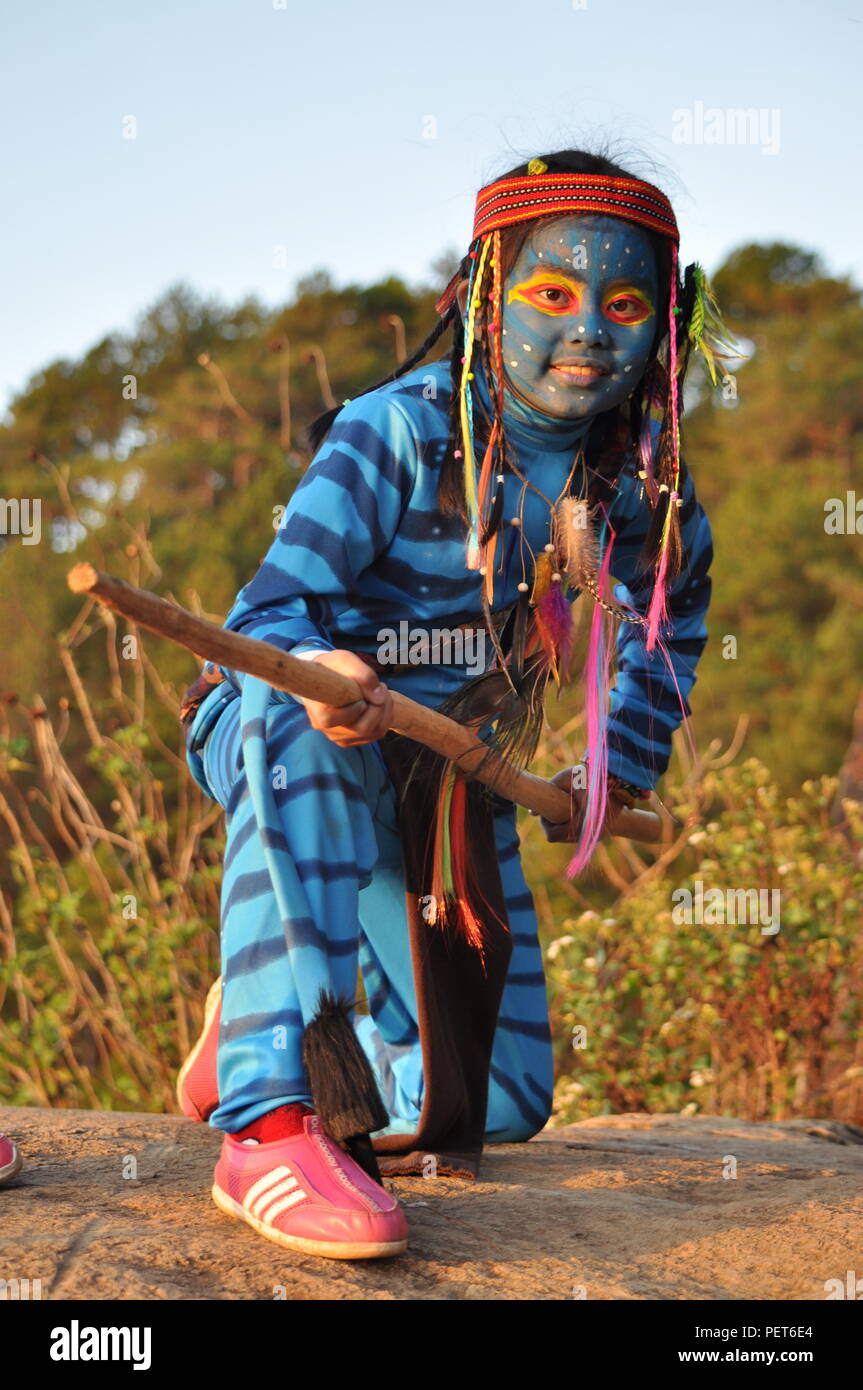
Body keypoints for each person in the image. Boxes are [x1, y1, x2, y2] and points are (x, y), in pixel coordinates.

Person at [178, 149, 718, 1260]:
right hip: (289, 742)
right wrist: (325, 675)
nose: (586, 330)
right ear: (485, 294)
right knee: (297, 731)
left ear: (664, 326)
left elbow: (672, 634)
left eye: (623, 305)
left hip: (441, 790)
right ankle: (269, 1119)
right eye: (550, 294)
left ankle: (260, 992)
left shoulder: (641, 492)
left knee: (491, 1106)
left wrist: (607, 775)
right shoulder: (395, 428)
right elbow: (267, 618)